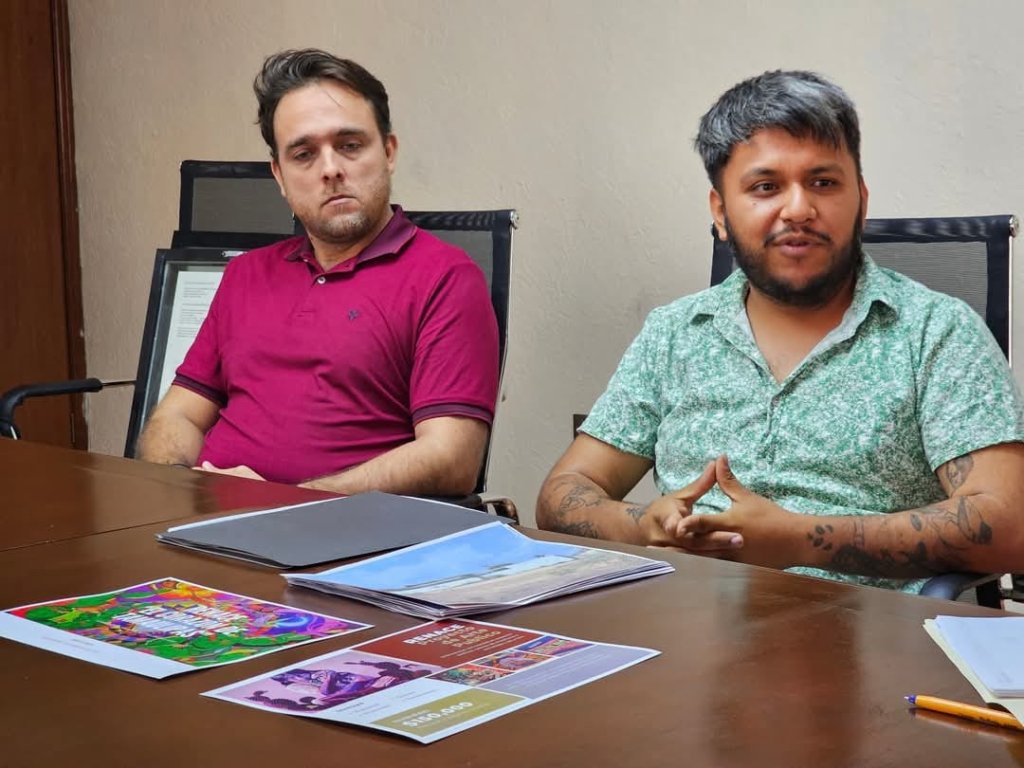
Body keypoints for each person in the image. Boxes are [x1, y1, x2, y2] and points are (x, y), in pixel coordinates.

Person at [536, 70, 1024, 592]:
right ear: (720, 212)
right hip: (682, 620)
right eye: (765, 187)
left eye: (823, 182)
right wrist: (643, 527)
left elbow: (1009, 524)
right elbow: (564, 492)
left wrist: (800, 539)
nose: (798, 209)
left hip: (864, 630)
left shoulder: (936, 332)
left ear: (861, 200)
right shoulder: (674, 333)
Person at [138, 49, 499, 496]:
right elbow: (177, 416)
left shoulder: (445, 278)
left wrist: (286, 504)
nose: (330, 170)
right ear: (279, 176)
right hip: (205, 517)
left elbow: (452, 458)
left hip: (343, 531)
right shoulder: (245, 274)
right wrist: (184, 485)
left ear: (388, 152)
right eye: (304, 154)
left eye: (350, 145)